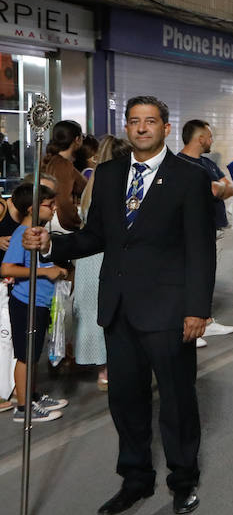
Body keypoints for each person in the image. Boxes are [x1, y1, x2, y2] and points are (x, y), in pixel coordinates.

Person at [24, 96, 216, 515]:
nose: (141, 128)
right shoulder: (109, 175)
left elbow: (201, 249)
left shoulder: (189, 177)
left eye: (150, 121)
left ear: (166, 127)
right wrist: (52, 243)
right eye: (134, 121)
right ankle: (135, 479)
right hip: (120, 308)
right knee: (126, 401)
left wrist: (197, 309)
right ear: (126, 128)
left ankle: (183, 479)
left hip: (169, 310)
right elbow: (96, 237)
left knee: (178, 400)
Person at [5, 183, 70, 422]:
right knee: (25, 356)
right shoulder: (22, 234)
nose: (53, 209)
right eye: (49, 205)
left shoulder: (36, 232)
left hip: (40, 302)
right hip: (26, 303)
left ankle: (30, 396)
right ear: (32, 208)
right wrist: (45, 273)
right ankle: (23, 408)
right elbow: (7, 268)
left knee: (33, 355)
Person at [73, 136, 130, 391]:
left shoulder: (91, 184)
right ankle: (113, 368)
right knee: (111, 311)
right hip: (104, 258)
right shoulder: (116, 186)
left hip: (86, 260)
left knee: (92, 312)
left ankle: (102, 369)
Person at [177, 120, 233, 343]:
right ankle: (186, 325)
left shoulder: (207, 164)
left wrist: (216, 189)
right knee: (188, 276)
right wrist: (213, 188)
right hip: (188, 233)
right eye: (209, 137)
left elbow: (227, 188)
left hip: (211, 229)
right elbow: (211, 189)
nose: (212, 141)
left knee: (206, 275)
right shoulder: (178, 164)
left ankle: (206, 321)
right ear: (200, 138)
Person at [42, 119, 87, 232]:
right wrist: (76, 222)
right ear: (77, 139)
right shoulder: (62, 165)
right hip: (61, 224)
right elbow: (63, 200)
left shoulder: (51, 160)